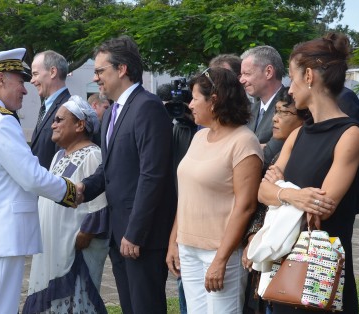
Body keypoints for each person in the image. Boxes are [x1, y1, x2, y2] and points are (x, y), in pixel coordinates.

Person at [0, 47, 78, 314]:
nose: (24, 90)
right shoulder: (0, 121)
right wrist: (70, 191)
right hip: (0, 235)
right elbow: (31, 176)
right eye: (20, 82)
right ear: (0, 79)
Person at [257, 32, 359, 313]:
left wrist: (279, 190)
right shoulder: (299, 134)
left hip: (322, 274)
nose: (290, 91)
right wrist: (292, 195)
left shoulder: (350, 135)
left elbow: (319, 209)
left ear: (308, 76)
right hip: (286, 270)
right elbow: (262, 191)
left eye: (292, 80)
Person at [76, 36, 177, 314]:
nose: (96, 78)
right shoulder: (111, 113)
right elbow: (109, 169)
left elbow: (152, 176)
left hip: (141, 236)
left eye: (100, 71)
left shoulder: (148, 107)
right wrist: (83, 188)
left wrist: (135, 233)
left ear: (121, 69)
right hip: (118, 232)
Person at [165, 67, 262, 313]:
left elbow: (246, 205)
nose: (190, 105)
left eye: (195, 98)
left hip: (220, 252)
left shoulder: (244, 142)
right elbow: (187, 194)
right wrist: (174, 241)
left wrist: (221, 259)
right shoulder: (199, 137)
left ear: (214, 100)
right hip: (188, 248)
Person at [23, 96, 109, 313]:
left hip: (73, 250)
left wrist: (85, 234)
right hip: (51, 246)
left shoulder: (93, 154)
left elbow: (99, 204)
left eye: (59, 120)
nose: (53, 124)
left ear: (80, 125)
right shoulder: (58, 156)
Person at [241, 87, 309, 313]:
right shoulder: (277, 155)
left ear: (302, 118)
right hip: (266, 245)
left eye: (284, 113)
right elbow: (263, 194)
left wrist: (279, 188)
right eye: (276, 111)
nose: (275, 119)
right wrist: (253, 235)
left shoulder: (302, 153)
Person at [240, 46, 286, 170]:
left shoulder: (290, 109)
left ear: (269, 72)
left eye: (247, 74)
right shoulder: (250, 110)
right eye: (241, 74)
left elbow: (269, 157)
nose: (241, 80)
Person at [30, 50, 71, 168]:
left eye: (35, 74)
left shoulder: (68, 108)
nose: (32, 80)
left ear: (53, 72)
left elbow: (64, 160)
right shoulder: (46, 107)